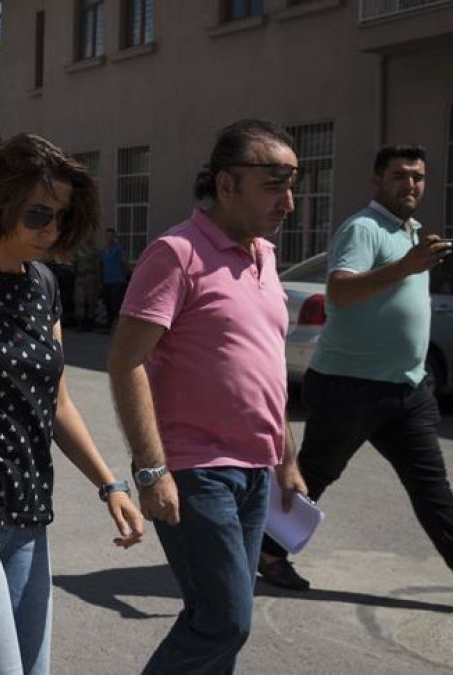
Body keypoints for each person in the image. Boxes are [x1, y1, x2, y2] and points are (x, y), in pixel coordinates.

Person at [0, 133, 143, 674]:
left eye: (61, 217)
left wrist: (110, 484)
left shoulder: (44, 286)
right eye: (38, 214)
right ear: (1, 202)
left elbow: (58, 403)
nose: (52, 230)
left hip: (29, 513)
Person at [107, 119, 307, 674]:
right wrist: (152, 469)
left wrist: (287, 458)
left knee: (220, 625)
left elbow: (266, 369)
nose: (289, 202)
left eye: (292, 186)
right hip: (196, 470)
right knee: (225, 620)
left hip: (255, 472)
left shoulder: (266, 256)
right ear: (226, 184)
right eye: (274, 185)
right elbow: (126, 362)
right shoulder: (177, 253)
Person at [258, 145, 453, 591]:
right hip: (349, 386)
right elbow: (341, 293)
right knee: (313, 475)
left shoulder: (412, 232)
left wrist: (411, 261)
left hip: (407, 388)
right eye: (400, 176)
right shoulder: (363, 228)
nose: (410, 184)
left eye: (418, 177)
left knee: (433, 490)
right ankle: (268, 551)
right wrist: (405, 266)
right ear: (377, 180)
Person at [100, 226, 129, 328]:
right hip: (107, 280)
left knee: (115, 305)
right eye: (107, 236)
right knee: (108, 304)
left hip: (117, 280)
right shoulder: (104, 250)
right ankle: (109, 324)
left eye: (111, 236)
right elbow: (102, 265)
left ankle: (116, 326)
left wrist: (126, 275)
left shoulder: (119, 249)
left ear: (114, 236)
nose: (109, 238)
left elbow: (124, 263)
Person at [72, 239, 102, 331]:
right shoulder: (77, 250)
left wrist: (99, 281)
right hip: (80, 277)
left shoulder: (94, 250)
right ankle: (80, 322)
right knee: (79, 300)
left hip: (91, 276)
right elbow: (74, 264)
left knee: (91, 299)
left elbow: (98, 266)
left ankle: (90, 321)